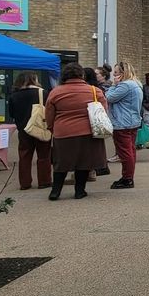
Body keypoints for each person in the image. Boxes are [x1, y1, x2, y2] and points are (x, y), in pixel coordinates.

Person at [44, 62, 109, 200]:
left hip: (63, 132)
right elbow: (104, 110)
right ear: (82, 75)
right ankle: (80, 191)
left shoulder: (55, 92)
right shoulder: (94, 91)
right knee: (84, 163)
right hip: (88, 132)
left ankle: (55, 191)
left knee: (61, 163)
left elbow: (49, 114)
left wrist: (51, 127)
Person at [7, 72, 52, 190]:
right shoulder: (43, 93)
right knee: (44, 155)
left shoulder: (14, 95)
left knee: (24, 156)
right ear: (34, 80)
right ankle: (44, 181)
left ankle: (25, 183)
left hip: (23, 129)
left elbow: (11, 113)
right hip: (40, 127)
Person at [107, 61, 144, 190]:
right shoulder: (136, 84)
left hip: (122, 123)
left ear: (123, 74)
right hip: (132, 121)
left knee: (125, 152)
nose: (114, 75)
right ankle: (128, 177)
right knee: (130, 150)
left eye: (116, 73)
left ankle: (127, 178)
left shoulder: (125, 86)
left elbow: (109, 97)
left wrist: (113, 85)